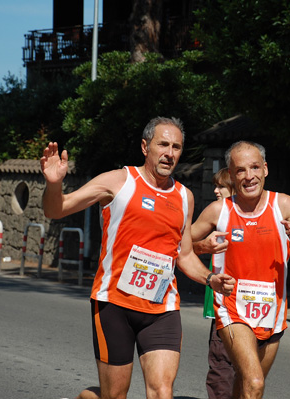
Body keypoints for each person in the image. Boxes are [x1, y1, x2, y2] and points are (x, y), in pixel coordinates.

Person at [40, 116, 236, 399]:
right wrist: (55, 185)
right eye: (163, 144)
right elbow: (56, 210)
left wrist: (209, 278)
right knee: (115, 395)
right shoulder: (118, 181)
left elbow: (184, 255)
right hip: (114, 304)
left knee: (161, 391)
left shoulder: (184, 197)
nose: (170, 153)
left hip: (162, 308)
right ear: (146, 147)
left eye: (177, 147)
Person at [191, 141, 290, 399]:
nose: (249, 176)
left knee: (245, 388)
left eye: (255, 168)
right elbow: (180, 247)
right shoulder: (219, 210)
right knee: (254, 383)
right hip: (233, 310)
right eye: (241, 170)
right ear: (231, 175)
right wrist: (202, 247)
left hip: (271, 314)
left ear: (265, 169)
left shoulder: (284, 205)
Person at [192, 168, 236, 399]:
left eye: (221, 186)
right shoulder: (216, 212)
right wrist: (204, 247)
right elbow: (184, 241)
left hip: (250, 303)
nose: (216, 190)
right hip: (223, 300)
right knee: (221, 363)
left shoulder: (263, 214)